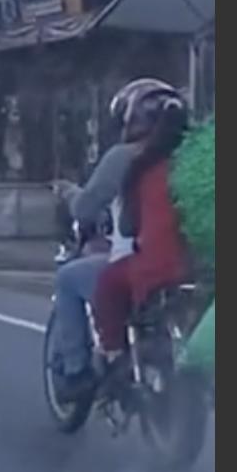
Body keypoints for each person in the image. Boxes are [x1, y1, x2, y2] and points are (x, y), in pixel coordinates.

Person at [49, 80, 175, 400]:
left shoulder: (125, 157)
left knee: (67, 278)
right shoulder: (191, 157)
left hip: (139, 263)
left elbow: (86, 207)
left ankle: (77, 371)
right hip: (189, 267)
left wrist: (67, 192)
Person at [92, 86, 190, 359]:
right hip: (201, 270)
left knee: (108, 283)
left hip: (159, 268)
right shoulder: (198, 163)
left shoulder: (141, 167)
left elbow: (128, 227)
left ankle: (112, 350)